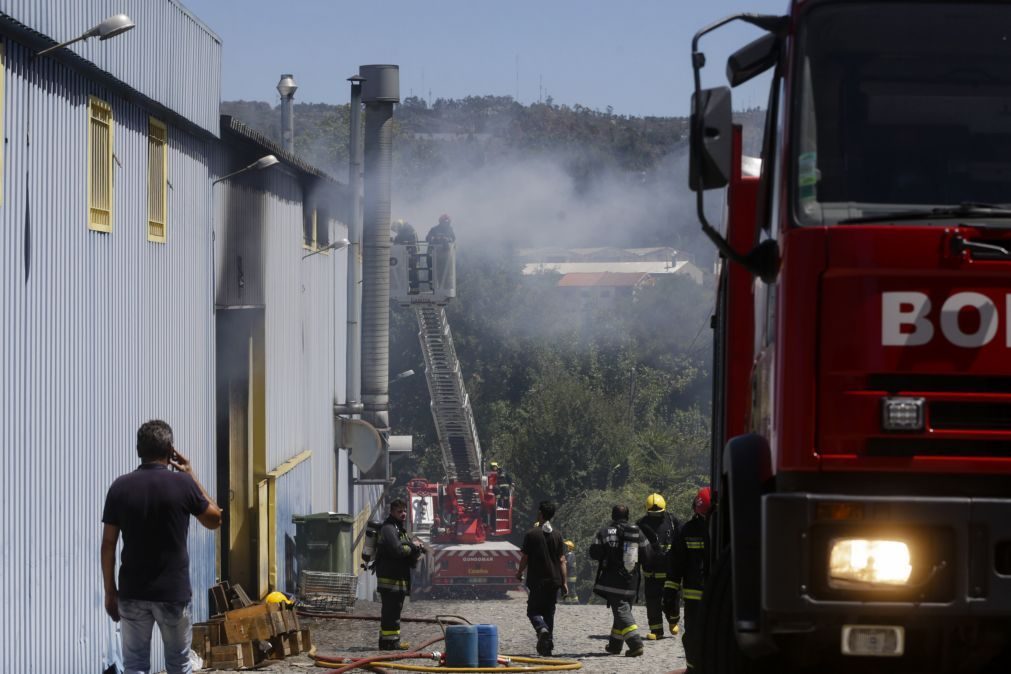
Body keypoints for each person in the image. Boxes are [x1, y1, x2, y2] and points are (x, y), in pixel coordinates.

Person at [101, 420, 223, 674]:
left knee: (135, 666)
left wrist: (110, 591)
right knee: (178, 665)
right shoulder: (183, 485)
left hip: (132, 592)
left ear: (138, 450)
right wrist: (191, 475)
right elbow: (215, 519)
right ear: (170, 449)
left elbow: (108, 545)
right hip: (173, 594)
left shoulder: (119, 487)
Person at [589, 504, 649, 658]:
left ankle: (635, 644)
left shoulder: (604, 532)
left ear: (612, 516)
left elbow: (594, 553)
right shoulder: (636, 531)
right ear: (627, 516)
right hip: (632, 580)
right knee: (622, 610)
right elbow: (647, 554)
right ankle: (615, 645)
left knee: (621, 610)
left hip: (613, 581)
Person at [516, 501, 567, 657]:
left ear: (541, 514)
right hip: (554, 581)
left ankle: (541, 629)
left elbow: (525, 557)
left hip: (538, 581)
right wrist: (564, 583)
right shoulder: (558, 535)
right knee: (549, 612)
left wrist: (519, 572)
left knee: (533, 611)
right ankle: (547, 646)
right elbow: (562, 560)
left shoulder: (532, 534)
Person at [669, 487, 712, 671]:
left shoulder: (687, 530)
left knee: (696, 637)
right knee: (697, 638)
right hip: (709, 597)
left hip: (699, 597)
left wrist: (670, 592)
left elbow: (675, 565)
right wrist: (670, 591)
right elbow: (676, 565)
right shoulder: (730, 526)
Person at [375, 498, 425, 650]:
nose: (403, 514)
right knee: (391, 612)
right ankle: (391, 643)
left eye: (404, 511)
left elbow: (404, 548)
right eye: (399, 511)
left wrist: (414, 549)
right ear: (391, 512)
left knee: (394, 611)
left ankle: (387, 641)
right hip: (390, 579)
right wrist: (413, 547)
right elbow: (397, 551)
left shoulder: (399, 529)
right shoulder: (389, 528)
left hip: (398, 579)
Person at [636, 493, 681, 640]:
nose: (655, 516)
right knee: (652, 602)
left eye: (659, 513)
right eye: (652, 513)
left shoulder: (673, 521)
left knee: (672, 599)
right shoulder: (641, 524)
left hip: (670, 572)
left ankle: (673, 620)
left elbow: (681, 541)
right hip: (651, 573)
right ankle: (657, 631)